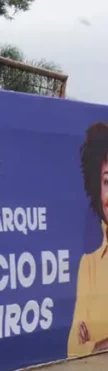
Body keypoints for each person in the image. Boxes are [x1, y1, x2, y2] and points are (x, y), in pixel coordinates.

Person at [67, 122, 108, 357]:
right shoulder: (89, 265)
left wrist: (96, 344)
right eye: (107, 182)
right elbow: (73, 349)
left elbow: (86, 348)